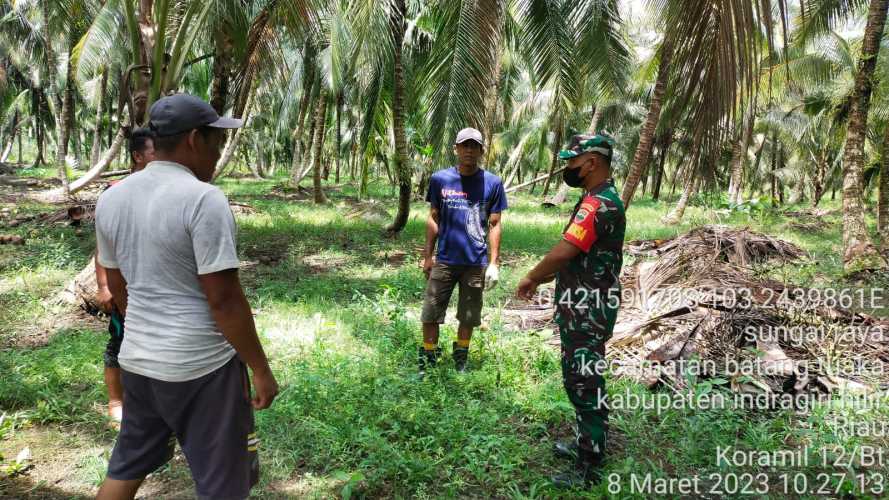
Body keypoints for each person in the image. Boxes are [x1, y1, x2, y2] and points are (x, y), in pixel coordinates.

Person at [95, 94, 278, 500]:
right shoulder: (202, 199)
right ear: (195, 139)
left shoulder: (112, 198)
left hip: (139, 363)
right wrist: (261, 370)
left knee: (125, 468)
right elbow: (224, 300)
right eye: (216, 141)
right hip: (202, 367)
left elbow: (118, 284)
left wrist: (146, 333)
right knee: (223, 486)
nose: (217, 153)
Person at [516, 134, 625, 488]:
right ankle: (585, 443)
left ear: (591, 162)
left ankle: (589, 464)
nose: (568, 168)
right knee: (579, 376)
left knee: (584, 380)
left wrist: (532, 277)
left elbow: (566, 250)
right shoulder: (595, 198)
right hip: (583, 304)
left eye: (572, 162)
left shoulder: (598, 204)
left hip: (588, 308)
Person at [420, 127, 507, 375]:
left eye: (474, 146)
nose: (469, 150)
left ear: (481, 150)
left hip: (475, 262)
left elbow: (495, 223)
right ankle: (428, 361)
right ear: (455, 149)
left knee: (468, 316)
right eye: (464, 145)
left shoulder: (492, 183)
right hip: (445, 260)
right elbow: (433, 218)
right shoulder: (440, 179)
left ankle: (461, 360)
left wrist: (494, 263)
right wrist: (428, 255)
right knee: (430, 313)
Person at [94, 127, 156, 422]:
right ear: (137, 156)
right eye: (153, 153)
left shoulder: (165, 191)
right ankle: (115, 401)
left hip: (151, 284)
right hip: (124, 286)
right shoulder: (116, 192)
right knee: (119, 342)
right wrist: (104, 285)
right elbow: (102, 249)